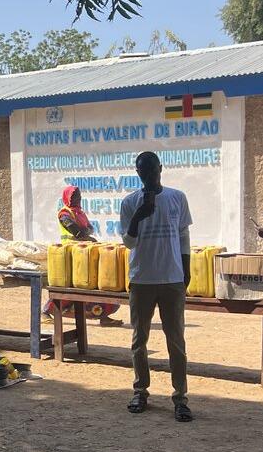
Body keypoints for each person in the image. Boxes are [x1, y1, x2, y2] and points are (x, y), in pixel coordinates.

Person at [121, 151, 194, 422]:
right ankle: (140, 391)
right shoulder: (130, 202)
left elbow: (184, 236)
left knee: (176, 341)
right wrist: (138, 216)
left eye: (152, 171)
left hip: (172, 279)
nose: (148, 176)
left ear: (160, 168)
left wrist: (186, 270)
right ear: (137, 173)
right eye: (143, 172)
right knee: (139, 341)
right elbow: (129, 243)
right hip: (141, 280)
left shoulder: (177, 197)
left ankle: (180, 397)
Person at [50, 185, 122, 326]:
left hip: (84, 251)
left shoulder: (80, 213)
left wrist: (86, 233)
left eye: (79, 196)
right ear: (68, 198)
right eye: (75, 196)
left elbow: (90, 228)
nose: (78, 199)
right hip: (70, 252)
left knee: (97, 281)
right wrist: (85, 234)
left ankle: (103, 314)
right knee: (71, 285)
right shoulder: (64, 214)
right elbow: (77, 231)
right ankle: (47, 310)